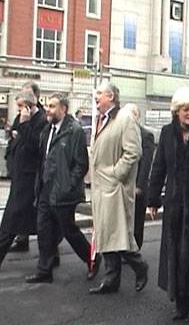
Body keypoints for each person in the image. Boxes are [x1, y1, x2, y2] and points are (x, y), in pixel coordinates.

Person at [148, 87, 189, 322]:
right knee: (174, 252)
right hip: (174, 205)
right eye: (185, 109)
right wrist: (152, 199)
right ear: (176, 111)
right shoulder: (167, 133)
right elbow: (159, 167)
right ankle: (180, 302)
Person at [25, 93, 100, 283]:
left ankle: (92, 259)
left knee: (69, 231)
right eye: (47, 106)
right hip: (45, 189)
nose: (48, 110)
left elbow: (81, 164)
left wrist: (67, 186)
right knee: (44, 230)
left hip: (63, 192)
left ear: (63, 109)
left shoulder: (73, 130)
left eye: (52, 106)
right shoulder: (47, 129)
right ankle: (44, 271)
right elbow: (43, 158)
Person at [88, 84, 148, 295]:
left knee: (117, 233)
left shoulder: (124, 119)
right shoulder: (101, 120)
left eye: (99, 94)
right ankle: (111, 279)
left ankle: (139, 264)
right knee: (106, 233)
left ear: (110, 96)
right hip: (101, 186)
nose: (95, 98)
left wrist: (116, 174)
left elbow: (133, 152)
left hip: (114, 186)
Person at [0, 91, 47, 268]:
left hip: (29, 179)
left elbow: (35, 146)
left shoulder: (39, 120)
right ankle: (48, 259)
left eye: (20, 106)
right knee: (28, 223)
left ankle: (49, 260)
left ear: (29, 105)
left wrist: (25, 125)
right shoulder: (21, 120)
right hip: (20, 176)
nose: (19, 110)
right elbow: (16, 143)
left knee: (10, 222)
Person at [125, 104, 156, 250]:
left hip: (138, 186)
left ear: (137, 116)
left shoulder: (146, 135)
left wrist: (139, 186)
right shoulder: (123, 133)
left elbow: (146, 163)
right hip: (124, 186)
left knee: (137, 220)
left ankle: (136, 248)